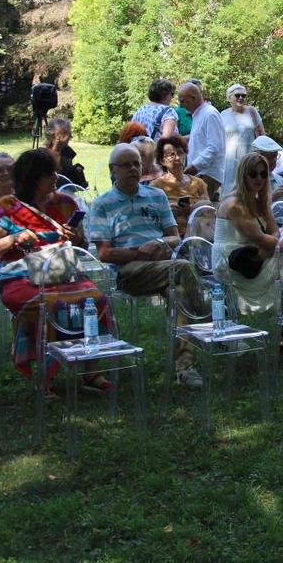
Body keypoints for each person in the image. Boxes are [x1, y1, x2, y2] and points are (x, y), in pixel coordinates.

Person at [0, 149, 109, 391]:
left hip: (63, 272)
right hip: (22, 276)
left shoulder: (65, 203)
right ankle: (46, 377)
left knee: (97, 301)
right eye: (50, 173)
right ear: (33, 178)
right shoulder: (9, 206)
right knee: (49, 305)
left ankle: (91, 371)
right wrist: (14, 238)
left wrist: (76, 236)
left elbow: (81, 246)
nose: (56, 177)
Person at [89, 144, 207, 387]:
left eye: (136, 163)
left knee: (180, 293)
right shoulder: (102, 204)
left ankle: (184, 367)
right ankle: (211, 321)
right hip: (128, 272)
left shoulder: (156, 196)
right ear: (113, 170)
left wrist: (157, 243)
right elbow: (104, 253)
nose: (133, 169)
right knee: (182, 267)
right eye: (126, 165)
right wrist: (139, 253)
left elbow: (174, 237)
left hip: (162, 267)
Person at [212, 152, 283, 357]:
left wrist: (269, 248)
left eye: (263, 174)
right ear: (242, 175)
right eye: (252, 174)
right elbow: (260, 237)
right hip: (233, 263)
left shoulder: (260, 200)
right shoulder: (233, 204)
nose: (259, 178)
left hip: (257, 255)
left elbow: (274, 232)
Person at [149, 135, 210, 233]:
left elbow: (209, 211)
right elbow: (149, 216)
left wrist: (191, 209)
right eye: (171, 155)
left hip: (197, 236)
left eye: (180, 153)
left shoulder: (198, 183)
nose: (177, 158)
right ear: (162, 161)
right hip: (169, 236)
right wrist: (166, 213)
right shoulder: (155, 186)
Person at [178, 80, 226, 203]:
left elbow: (215, 147)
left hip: (207, 175)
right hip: (200, 174)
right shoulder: (199, 114)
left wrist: (195, 166)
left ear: (193, 98)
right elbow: (201, 140)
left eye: (182, 101)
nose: (181, 106)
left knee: (202, 216)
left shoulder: (210, 114)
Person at [220, 84, 265, 196]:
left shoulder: (252, 111)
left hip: (248, 156)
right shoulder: (223, 115)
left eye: (243, 95)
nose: (241, 98)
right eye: (237, 95)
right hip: (229, 158)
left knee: (248, 182)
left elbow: (261, 135)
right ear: (229, 97)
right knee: (230, 185)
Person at [43, 117, 88, 188]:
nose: (71, 137)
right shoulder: (42, 155)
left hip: (66, 192)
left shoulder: (67, 151)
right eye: (69, 134)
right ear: (57, 135)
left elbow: (68, 176)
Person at [252, 136, 283, 202]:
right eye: (269, 157)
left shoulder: (279, 180)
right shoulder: (250, 180)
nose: (273, 161)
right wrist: (271, 197)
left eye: (275, 157)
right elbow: (247, 208)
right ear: (257, 157)